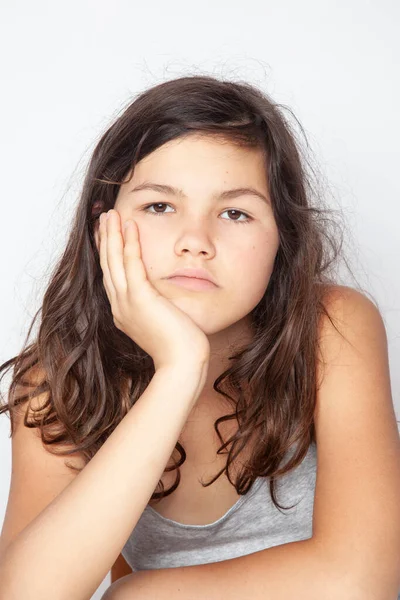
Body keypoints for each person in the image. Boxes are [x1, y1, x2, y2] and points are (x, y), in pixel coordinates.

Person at [0, 75, 399, 600]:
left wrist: (136, 595)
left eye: (235, 213)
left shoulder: (331, 327)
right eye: (160, 207)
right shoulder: (60, 380)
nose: (195, 242)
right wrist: (179, 368)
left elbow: (363, 580)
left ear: (283, 239)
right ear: (105, 226)